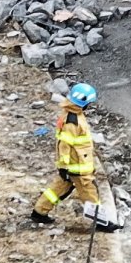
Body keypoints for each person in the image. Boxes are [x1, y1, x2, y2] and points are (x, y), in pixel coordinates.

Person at [31, 84, 116, 231]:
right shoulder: (72, 120)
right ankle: (101, 222)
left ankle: (39, 211)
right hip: (77, 166)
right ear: (84, 103)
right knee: (89, 193)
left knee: (58, 189)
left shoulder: (72, 114)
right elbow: (64, 144)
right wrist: (65, 166)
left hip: (75, 164)